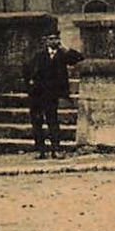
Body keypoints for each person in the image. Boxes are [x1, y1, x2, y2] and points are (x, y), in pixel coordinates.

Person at [23, 29, 82, 158]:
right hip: (38, 94)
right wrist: (30, 85)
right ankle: (41, 150)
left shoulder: (62, 55)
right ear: (46, 41)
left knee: (52, 121)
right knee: (37, 121)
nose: (53, 41)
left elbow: (78, 58)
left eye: (55, 38)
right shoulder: (39, 55)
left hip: (52, 94)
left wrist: (64, 48)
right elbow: (27, 69)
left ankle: (56, 149)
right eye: (50, 39)